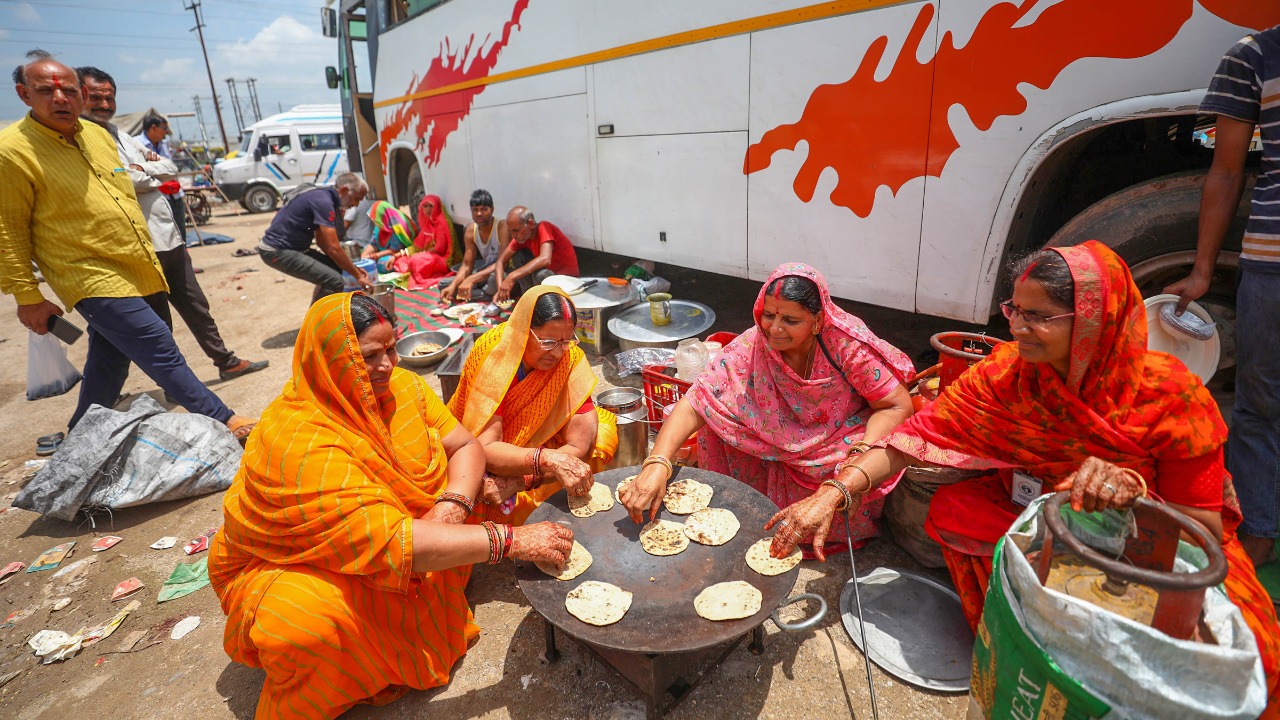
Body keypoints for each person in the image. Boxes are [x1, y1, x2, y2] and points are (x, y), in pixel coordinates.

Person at [771, 242, 1280, 710]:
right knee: (955, 513)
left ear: (1095, 321)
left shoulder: (1171, 396)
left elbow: (1204, 530)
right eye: (1014, 309)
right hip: (1048, 522)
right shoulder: (1005, 376)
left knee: (1253, 649)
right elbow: (913, 438)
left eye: (1039, 317)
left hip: (1152, 549)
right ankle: (1012, 634)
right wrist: (834, 492)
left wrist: (1134, 495)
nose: (1015, 326)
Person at [209, 293, 575, 719]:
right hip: (308, 561)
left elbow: (466, 446)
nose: (388, 364)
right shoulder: (294, 440)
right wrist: (511, 541)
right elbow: (387, 542)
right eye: (370, 356)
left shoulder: (404, 387)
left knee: (485, 491)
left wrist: (453, 504)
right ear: (328, 360)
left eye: (391, 348)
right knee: (302, 626)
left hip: (411, 535)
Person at [0, 51, 255, 438]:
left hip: (136, 262)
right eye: (45, 91)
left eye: (69, 91)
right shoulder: (12, 151)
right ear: (24, 94)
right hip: (86, 271)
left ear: (80, 96)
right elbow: (9, 229)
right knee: (158, 345)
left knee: (110, 359)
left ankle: (80, 434)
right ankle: (225, 419)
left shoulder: (100, 137)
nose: (60, 99)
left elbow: (129, 188)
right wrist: (27, 294)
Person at [619, 263, 916, 553]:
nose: (775, 328)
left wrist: (858, 458)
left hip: (829, 444)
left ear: (817, 321)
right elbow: (696, 402)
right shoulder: (753, 343)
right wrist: (657, 462)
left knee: (847, 469)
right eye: (769, 315)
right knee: (716, 424)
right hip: (768, 441)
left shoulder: (846, 348)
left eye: (791, 320)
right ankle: (740, 513)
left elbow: (895, 406)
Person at [1165, 27, 1280, 571]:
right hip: (1272, 260)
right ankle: (1256, 537)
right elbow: (1228, 167)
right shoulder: (1254, 55)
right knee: (1261, 404)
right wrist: (1202, 271)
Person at [78, 66, 267, 382]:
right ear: (79, 95)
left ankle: (226, 361)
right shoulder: (82, 137)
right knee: (158, 321)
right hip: (138, 247)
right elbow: (126, 178)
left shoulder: (119, 133)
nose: (104, 104)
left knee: (196, 305)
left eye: (108, 97)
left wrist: (147, 171)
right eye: (95, 97)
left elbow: (167, 167)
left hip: (169, 239)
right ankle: (175, 383)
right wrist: (146, 172)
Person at [447, 287, 618, 525]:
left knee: (603, 434)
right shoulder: (495, 355)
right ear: (522, 331)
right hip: (488, 444)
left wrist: (522, 480)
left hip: (534, 457)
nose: (558, 352)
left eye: (566, 341)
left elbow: (581, 444)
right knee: (476, 483)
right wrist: (547, 460)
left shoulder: (569, 357)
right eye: (548, 342)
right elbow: (485, 447)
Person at [257, 172, 371, 303]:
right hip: (277, 250)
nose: (356, 205)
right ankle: (316, 321)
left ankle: (318, 315)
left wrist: (352, 268)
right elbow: (333, 247)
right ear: (344, 190)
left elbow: (323, 243)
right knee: (333, 280)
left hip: (292, 248)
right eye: (356, 198)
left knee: (335, 271)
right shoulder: (324, 202)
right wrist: (358, 276)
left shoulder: (323, 196)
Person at [493, 206, 580, 304]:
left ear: (530, 224)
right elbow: (500, 261)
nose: (513, 236)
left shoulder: (544, 227)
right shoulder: (522, 238)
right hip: (547, 275)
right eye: (511, 232)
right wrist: (501, 289)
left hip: (567, 282)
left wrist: (511, 276)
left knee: (541, 275)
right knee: (518, 256)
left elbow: (545, 259)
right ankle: (528, 300)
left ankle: (545, 306)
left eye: (516, 230)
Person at [440, 189, 508, 304]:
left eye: (483, 209)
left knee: (492, 281)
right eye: (475, 210)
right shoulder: (471, 230)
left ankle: (478, 293)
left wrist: (472, 279)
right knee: (444, 285)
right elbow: (467, 265)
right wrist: (453, 286)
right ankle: (480, 293)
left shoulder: (501, 227)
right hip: (484, 272)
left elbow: (503, 262)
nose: (479, 214)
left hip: (502, 272)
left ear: (492, 210)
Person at [361, 200, 415, 273]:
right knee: (364, 253)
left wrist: (376, 255)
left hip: (398, 254)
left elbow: (394, 250)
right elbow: (373, 244)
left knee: (384, 262)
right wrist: (364, 257)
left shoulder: (398, 227)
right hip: (381, 254)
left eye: (376, 220)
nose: (375, 223)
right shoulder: (379, 226)